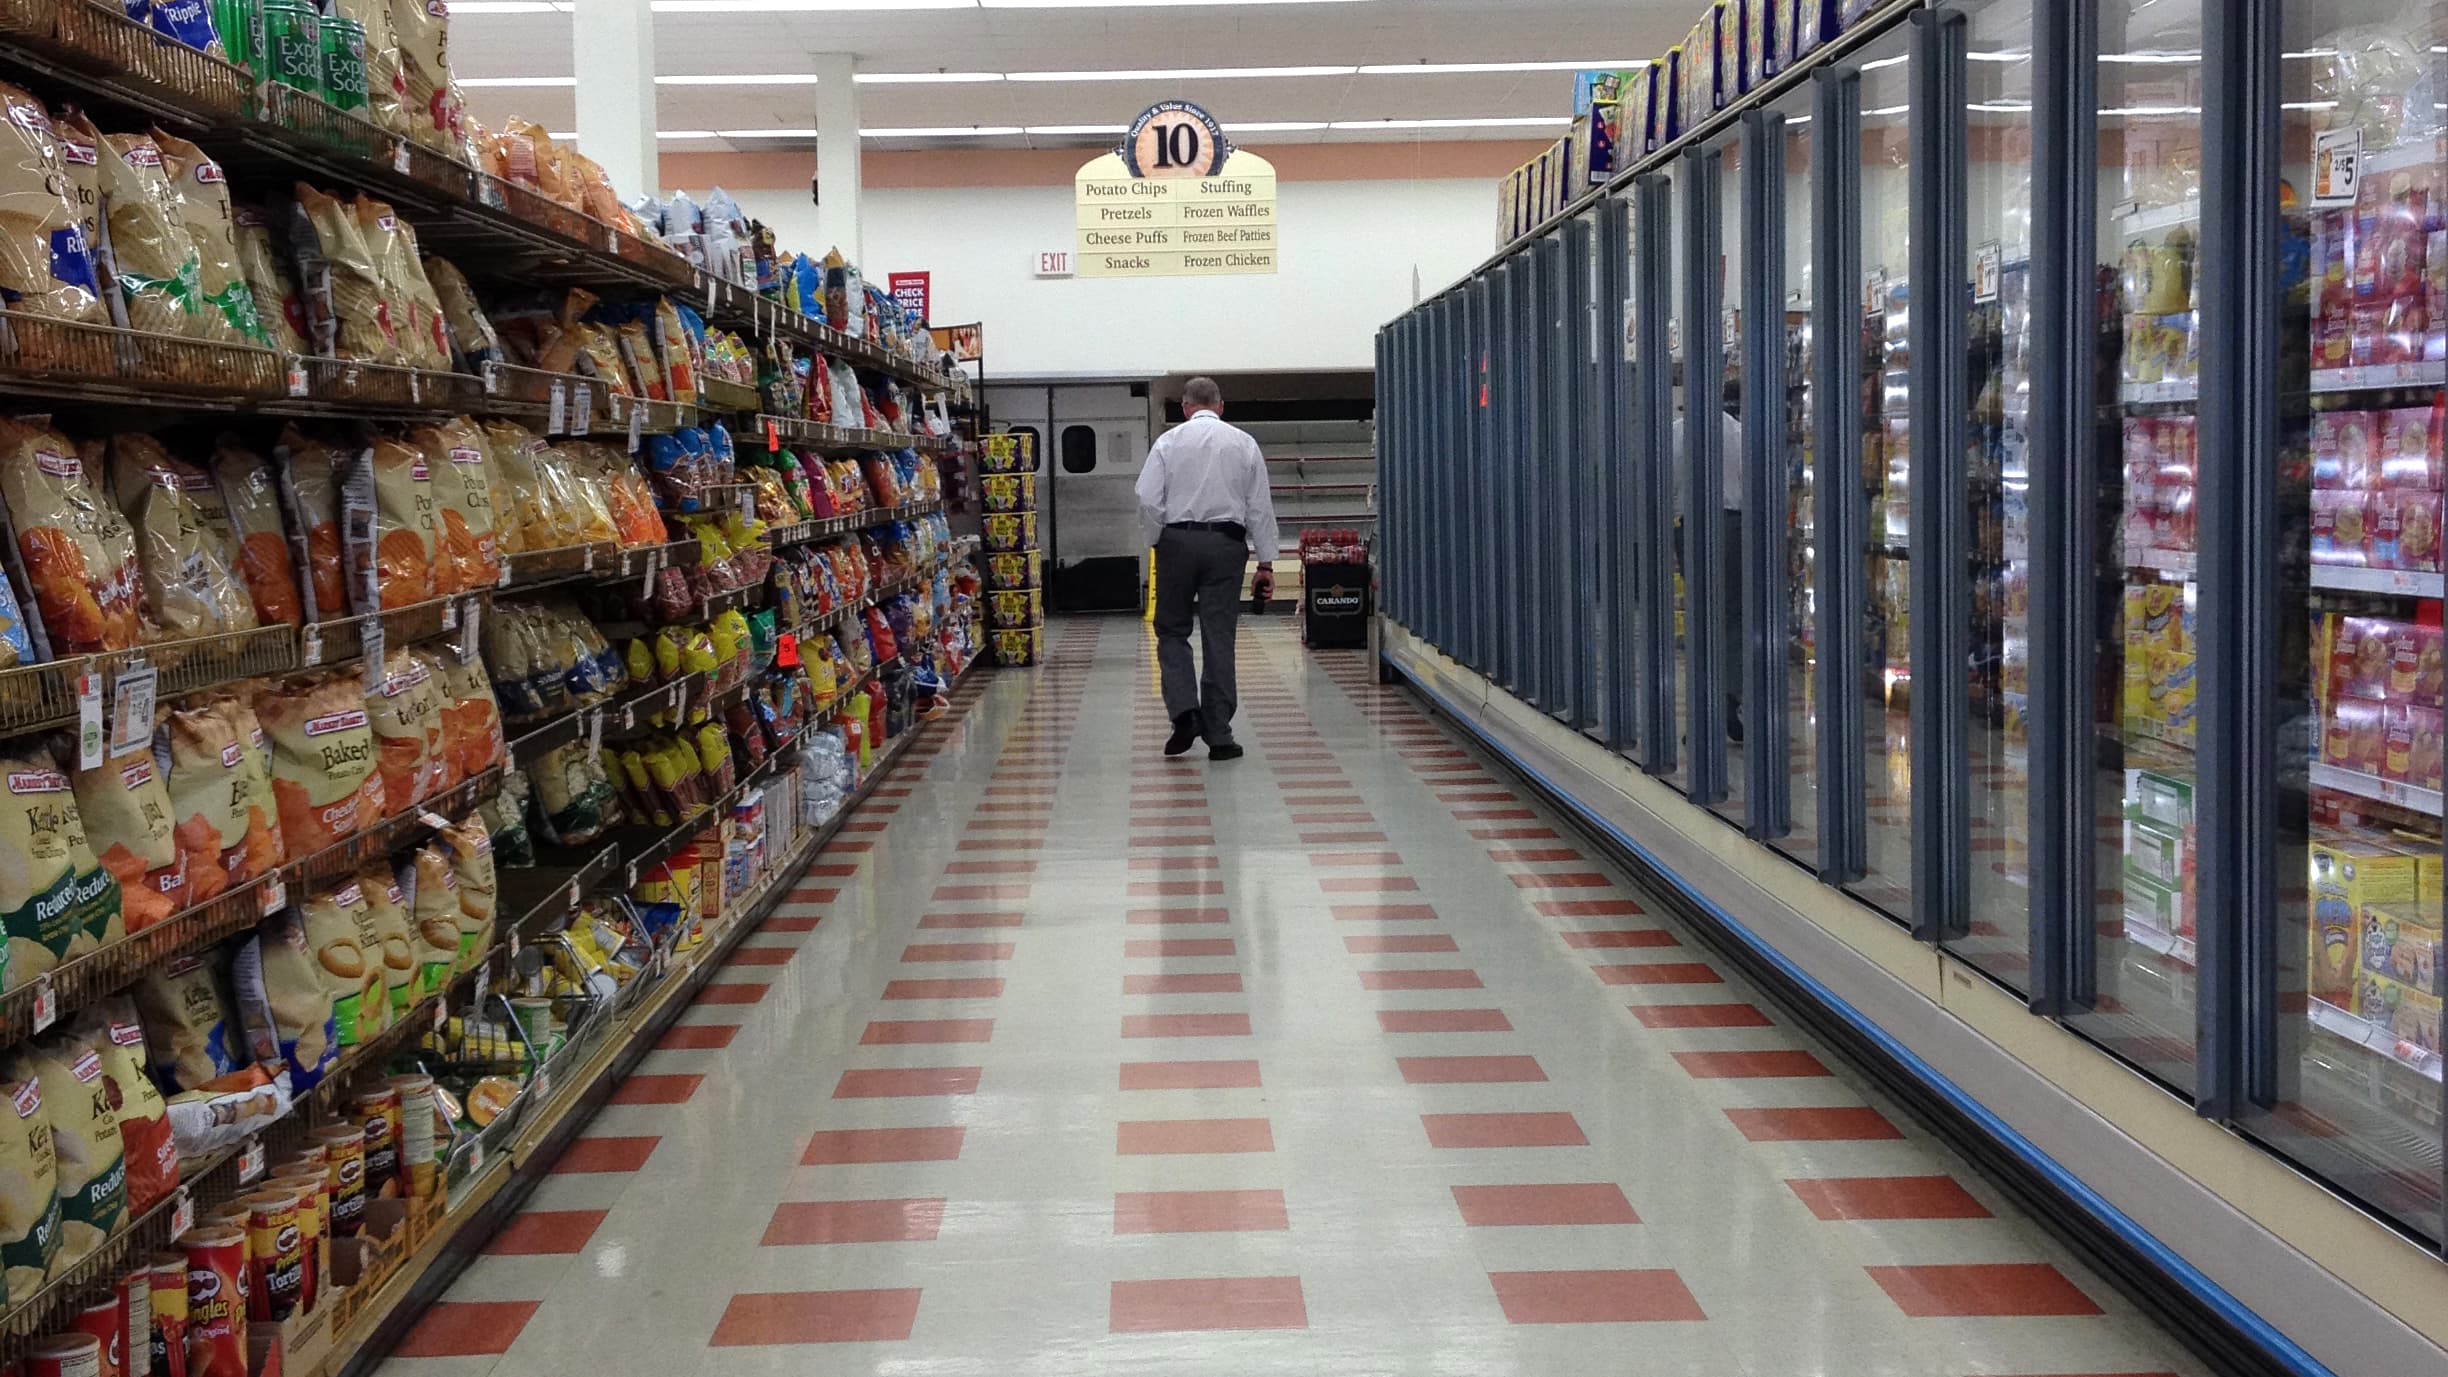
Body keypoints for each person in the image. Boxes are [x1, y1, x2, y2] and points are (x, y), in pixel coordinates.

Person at [1135, 376, 1281, 761]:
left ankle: (1184, 713)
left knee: (1171, 629)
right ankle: (1219, 734)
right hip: (1227, 545)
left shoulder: (1167, 442)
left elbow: (1147, 498)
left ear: (1184, 408)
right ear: (1220, 405)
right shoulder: (1243, 443)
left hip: (1178, 542)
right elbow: (1259, 507)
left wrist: (1159, 539)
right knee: (1219, 635)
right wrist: (1265, 563)